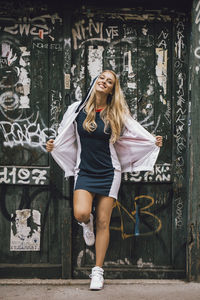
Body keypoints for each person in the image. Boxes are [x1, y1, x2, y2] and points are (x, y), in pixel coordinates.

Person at [46, 70, 163, 290]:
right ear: (95, 82)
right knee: (81, 212)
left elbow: (135, 132)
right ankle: (85, 223)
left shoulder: (115, 112)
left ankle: (97, 272)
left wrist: (151, 140)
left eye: (109, 82)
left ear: (112, 89)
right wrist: (54, 145)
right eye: (102, 78)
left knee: (103, 222)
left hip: (110, 172)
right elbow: (63, 135)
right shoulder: (77, 109)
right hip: (85, 171)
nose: (104, 82)